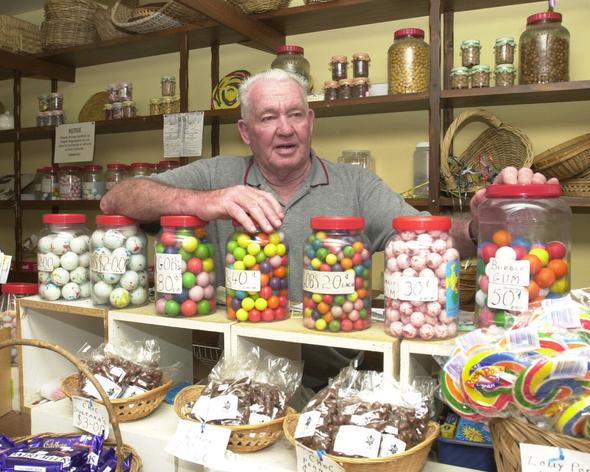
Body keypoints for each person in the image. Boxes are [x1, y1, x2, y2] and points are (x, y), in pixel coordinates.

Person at [101, 68, 555, 385]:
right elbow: (117, 198)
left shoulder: (355, 185)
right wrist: (203, 202)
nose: (285, 129)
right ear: (245, 131)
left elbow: (427, 239)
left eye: (295, 114)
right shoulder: (216, 175)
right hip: (229, 368)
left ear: (311, 121)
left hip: (335, 377)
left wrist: (479, 227)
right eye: (268, 117)